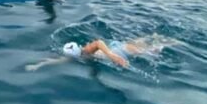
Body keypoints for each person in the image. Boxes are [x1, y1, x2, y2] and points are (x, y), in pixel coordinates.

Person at [25, 34, 178, 71]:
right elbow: (57, 61)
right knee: (140, 43)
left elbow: (98, 42)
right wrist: (37, 65)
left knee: (152, 51)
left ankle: (174, 42)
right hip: (119, 48)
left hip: (121, 51)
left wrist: (112, 56)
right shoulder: (77, 55)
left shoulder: (85, 51)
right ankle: (153, 36)